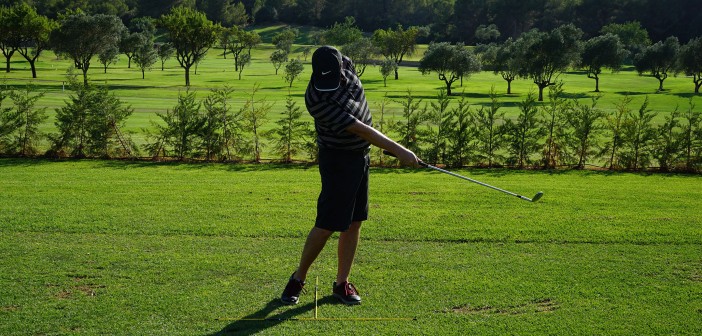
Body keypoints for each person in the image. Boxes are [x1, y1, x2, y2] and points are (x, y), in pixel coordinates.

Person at [281, 46, 420, 306]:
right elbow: (361, 130)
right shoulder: (316, 99)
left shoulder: (346, 66)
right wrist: (401, 151)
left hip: (360, 158)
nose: (328, 84)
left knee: (355, 221)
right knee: (326, 225)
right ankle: (298, 278)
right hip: (337, 160)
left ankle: (341, 283)